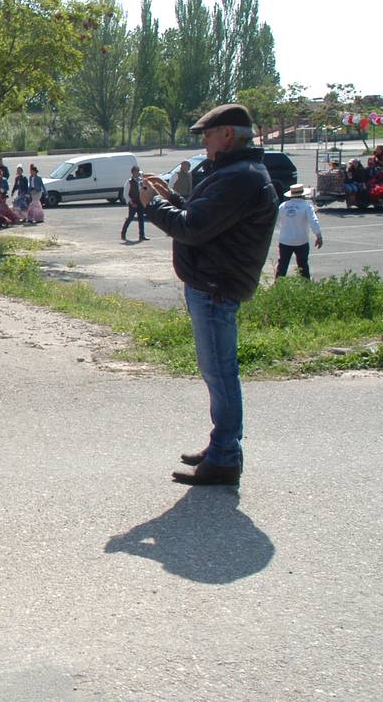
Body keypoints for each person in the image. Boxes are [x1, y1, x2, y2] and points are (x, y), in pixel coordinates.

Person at [139, 103, 279, 486]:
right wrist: (172, 198)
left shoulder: (239, 177)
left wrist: (154, 205)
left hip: (216, 288)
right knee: (217, 372)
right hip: (214, 284)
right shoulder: (239, 173)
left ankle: (225, 456)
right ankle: (222, 445)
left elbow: (193, 228)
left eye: (208, 135)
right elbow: (205, 218)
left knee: (220, 374)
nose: (204, 143)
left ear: (228, 135)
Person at [275, 183, 323, 279]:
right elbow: (313, 221)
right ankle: (306, 286)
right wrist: (318, 235)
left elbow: (276, 221)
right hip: (301, 240)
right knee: (303, 265)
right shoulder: (306, 206)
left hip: (285, 240)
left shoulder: (283, 206)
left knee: (282, 265)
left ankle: (278, 286)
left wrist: (285, 228)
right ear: (302, 195)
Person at [121, 165, 148, 242]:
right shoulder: (129, 182)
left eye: (138, 171)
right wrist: (131, 202)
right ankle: (123, 233)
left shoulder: (141, 181)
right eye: (136, 171)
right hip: (133, 202)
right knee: (130, 218)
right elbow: (125, 194)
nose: (138, 173)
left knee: (141, 219)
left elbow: (144, 189)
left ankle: (142, 235)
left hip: (140, 202)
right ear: (133, 172)